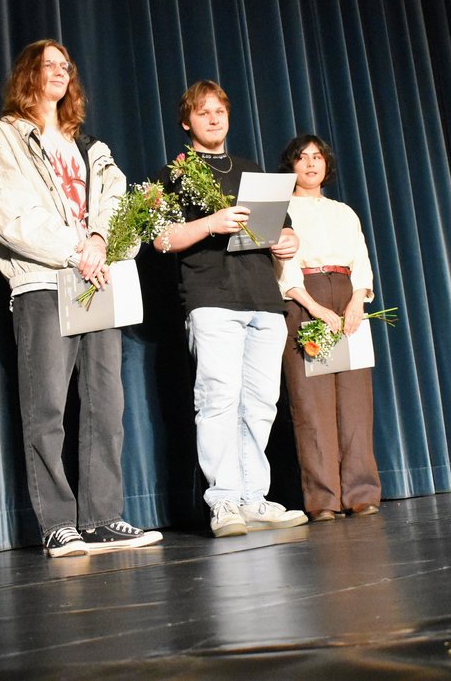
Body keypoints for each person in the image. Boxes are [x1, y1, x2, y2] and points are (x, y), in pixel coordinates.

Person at [0, 40, 162, 558]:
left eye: (65, 66)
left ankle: (103, 516)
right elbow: (6, 213)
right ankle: (59, 523)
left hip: (97, 277)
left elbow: (114, 200)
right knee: (48, 407)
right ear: (28, 76)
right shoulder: (7, 137)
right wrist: (73, 250)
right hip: (43, 280)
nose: (59, 72)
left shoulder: (92, 147)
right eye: (48, 65)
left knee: (106, 404)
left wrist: (101, 243)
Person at [155, 80, 308, 537]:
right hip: (212, 299)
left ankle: (252, 498)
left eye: (219, 110)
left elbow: (285, 231)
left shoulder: (251, 169)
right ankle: (223, 502)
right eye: (203, 112)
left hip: (263, 299)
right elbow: (162, 239)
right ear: (187, 122)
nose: (214, 118)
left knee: (261, 403)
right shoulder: (174, 174)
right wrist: (211, 223)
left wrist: (288, 242)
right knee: (218, 400)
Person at [274, 134, 382, 521]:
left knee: (355, 402)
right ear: (291, 166)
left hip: (347, 296)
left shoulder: (343, 212)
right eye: (301, 157)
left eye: (317, 157)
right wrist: (313, 306)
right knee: (312, 404)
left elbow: (362, 259)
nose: (310, 163)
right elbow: (283, 267)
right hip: (306, 297)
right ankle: (322, 500)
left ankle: (362, 492)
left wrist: (357, 300)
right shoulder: (283, 208)